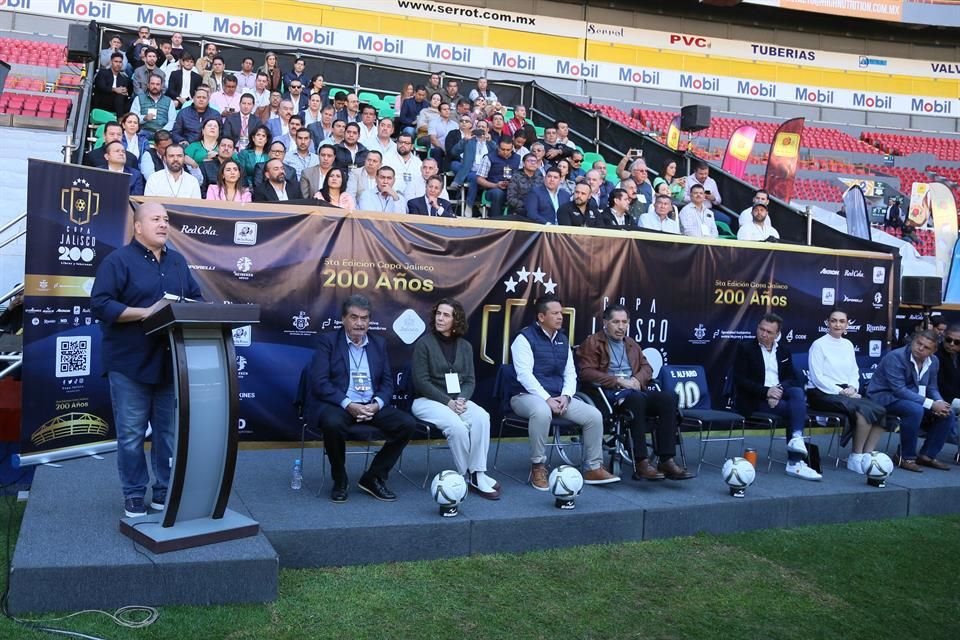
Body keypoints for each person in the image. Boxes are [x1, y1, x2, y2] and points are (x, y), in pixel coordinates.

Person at [90, 202, 203, 518]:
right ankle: (134, 493)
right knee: (131, 436)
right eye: (156, 219)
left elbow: (196, 301)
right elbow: (100, 304)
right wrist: (147, 313)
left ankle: (164, 490)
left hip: (169, 364)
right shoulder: (118, 261)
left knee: (167, 435)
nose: (163, 224)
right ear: (138, 227)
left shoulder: (178, 262)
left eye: (166, 220)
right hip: (129, 365)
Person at [308, 295, 415, 502]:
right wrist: (349, 404)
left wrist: (377, 405)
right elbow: (320, 383)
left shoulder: (378, 343)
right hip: (341, 404)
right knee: (332, 423)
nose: (360, 323)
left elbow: (387, 383)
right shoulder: (328, 342)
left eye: (364, 318)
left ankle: (373, 477)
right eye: (354, 317)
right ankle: (340, 479)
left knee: (407, 424)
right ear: (343, 319)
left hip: (371, 405)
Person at [510, 295, 620, 490]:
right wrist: (546, 399)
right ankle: (538, 465)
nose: (560, 317)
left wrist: (566, 396)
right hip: (525, 397)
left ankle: (593, 467)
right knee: (542, 411)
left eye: (561, 313)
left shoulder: (562, 339)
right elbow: (524, 376)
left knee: (594, 415)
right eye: (555, 313)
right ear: (541, 317)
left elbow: (570, 373)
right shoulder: (524, 338)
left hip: (558, 398)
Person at [578, 304, 694, 481]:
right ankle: (641, 461)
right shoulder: (593, 342)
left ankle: (666, 459)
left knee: (669, 397)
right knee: (637, 399)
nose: (621, 326)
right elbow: (586, 372)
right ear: (605, 323)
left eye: (624, 322)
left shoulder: (631, 344)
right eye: (616, 322)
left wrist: (637, 380)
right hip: (608, 393)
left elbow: (647, 367)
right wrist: (618, 381)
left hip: (633, 390)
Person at [411, 298, 499, 498]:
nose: (440, 318)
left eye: (446, 315)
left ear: (456, 320)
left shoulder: (465, 346)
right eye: (438, 313)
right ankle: (465, 474)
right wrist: (448, 402)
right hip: (427, 401)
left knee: (481, 417)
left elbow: (469, 380)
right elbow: (421, 382)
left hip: (457, 401)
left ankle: (478, 472)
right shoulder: (424, 344)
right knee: (457, 427)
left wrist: (461, 399)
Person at [734, 313, 821, 480]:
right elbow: (740, 380)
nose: (763, 334)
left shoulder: (783, 351)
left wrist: (777, 390)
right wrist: (766, 392)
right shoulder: (744, 348)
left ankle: (796, 438)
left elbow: (792, 379)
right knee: (793, 411)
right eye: (761, 329)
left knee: (796, 391)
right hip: (755, 399)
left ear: (777, 334)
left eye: (769, 332)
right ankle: (795, 462)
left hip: (779, 394)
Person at [807, 308, 890, 473]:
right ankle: (855, 456)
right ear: (827, 323)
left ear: (847, 324)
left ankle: (867, 456)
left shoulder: (848, 344)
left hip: (846, 392)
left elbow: (854, 371)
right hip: (821, 393)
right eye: (834, 320)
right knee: (862, 411)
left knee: (880, 411)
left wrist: (853, 387)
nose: (837, 324)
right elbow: (818, 378)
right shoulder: (818, 345)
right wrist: (840, 391)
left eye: (841, 321)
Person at [868, 330, 955, 472]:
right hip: (884, 397)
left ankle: (927, 455)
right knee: (914, 409)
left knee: (948, 412)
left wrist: (939, 402)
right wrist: (931, 404)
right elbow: (899, 390)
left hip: (913, 398)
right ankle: (905, 457)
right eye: (918, 343)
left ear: (933, 351)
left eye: (926, 347)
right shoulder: (896, 357)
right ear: (912, 342)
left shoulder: (934, 361)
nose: (920, 348)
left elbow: (932, 387)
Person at [477, 138, 520, 217]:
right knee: (498, 193)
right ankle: (495, 221)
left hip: (512, 189)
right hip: (492, 189)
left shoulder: (518, 158)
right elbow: (479, 179)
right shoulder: (489, 157)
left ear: (512, 148)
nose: (505, 152)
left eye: (508, 150)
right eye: (503, 149)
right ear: (498, 147)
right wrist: (496, 185)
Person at [936, 323, 960, 448]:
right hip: (941, 398)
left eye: (957, 342)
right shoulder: (936, 355)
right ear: (944, 337)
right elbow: (937, 385)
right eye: (949, 340)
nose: (951, 344)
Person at [505, 153, 543, 217]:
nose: (533, 163)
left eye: (535, 161)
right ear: (523, 163)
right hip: (521, 208)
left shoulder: (540, 176)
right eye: (529, 161)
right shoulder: (516, 176)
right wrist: (527, 205)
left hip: (537, 208)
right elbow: (511, 198)